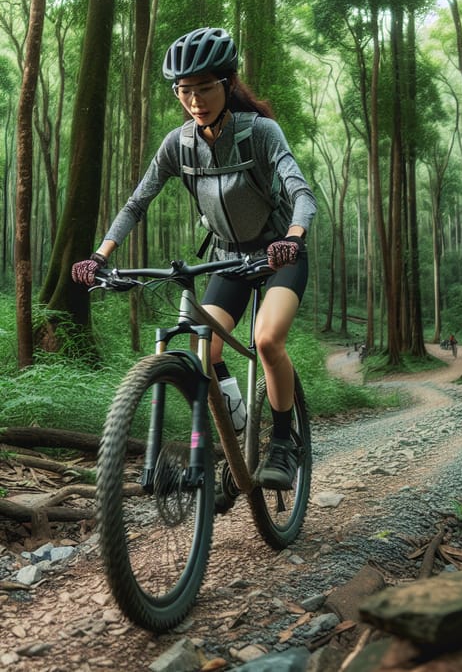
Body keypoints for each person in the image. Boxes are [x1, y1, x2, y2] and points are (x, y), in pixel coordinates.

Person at [72, 27, 316, 492]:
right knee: (207, 351)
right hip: (227, 259)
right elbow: (136, 203)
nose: (196, 99)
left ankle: (284, 444)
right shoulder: (178, 144)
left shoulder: (260, 133)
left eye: (205, 87)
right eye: (185, 90)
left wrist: (292, 237)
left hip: (278, 254)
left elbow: (301, 192)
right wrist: (100, 256)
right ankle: (236, 427)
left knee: (266, 341)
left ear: (227, 84)